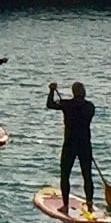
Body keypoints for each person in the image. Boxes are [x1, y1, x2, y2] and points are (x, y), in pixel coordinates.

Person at [46, 78, 98, 214]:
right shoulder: (90, 107)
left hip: (70, 144)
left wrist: (51, 91)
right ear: (84, 93)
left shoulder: (67, 104)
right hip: (85, 145)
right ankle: (90, 204)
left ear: (73, 93)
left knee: (65, 174)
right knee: (87, 176)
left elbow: (50, 104)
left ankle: (65, 205)